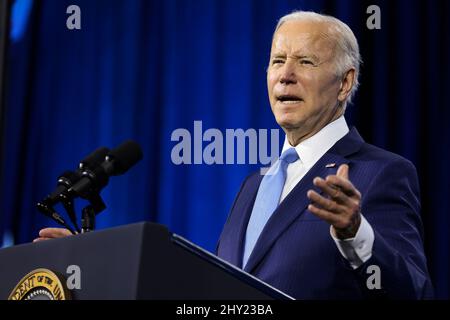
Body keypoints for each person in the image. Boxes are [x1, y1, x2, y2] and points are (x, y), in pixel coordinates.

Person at [36, 11, 433, 299]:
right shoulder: (253, 185)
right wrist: (95, 262)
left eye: (305, 61)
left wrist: (356, 234)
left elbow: (414, 291)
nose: (285, 74)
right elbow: (211, 293)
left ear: (345, 83)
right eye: (277, 61)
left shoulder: (380, 173)